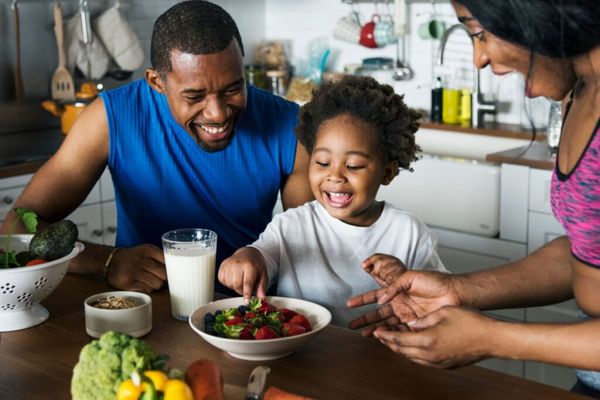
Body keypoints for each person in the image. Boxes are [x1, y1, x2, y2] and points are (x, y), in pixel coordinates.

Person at [347, 0, 600, 396]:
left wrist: (493, 338)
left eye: (479, 32)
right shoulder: (580, 92)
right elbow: (586, 252)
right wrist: (458, 290)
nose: (479, 58)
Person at [0, 1, 312, 293]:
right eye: (194, 96)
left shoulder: (290, 125)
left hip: (246, 313)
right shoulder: (111, 118)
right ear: (156, 82)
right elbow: (16, 227)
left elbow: (311, 247)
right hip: (149, 308)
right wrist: (105, 261)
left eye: (233, 88)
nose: (217, 113)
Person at [218, 75, 448, 326]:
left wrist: (406, 280)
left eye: (353, 165)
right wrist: (247, 257)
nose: (335, 176)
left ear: (387, 173)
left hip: (381, 357)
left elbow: (442, 305)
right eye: (322, 163)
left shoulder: (410, 234)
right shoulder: (290, 225)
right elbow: (261, 256)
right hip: (302, 355)